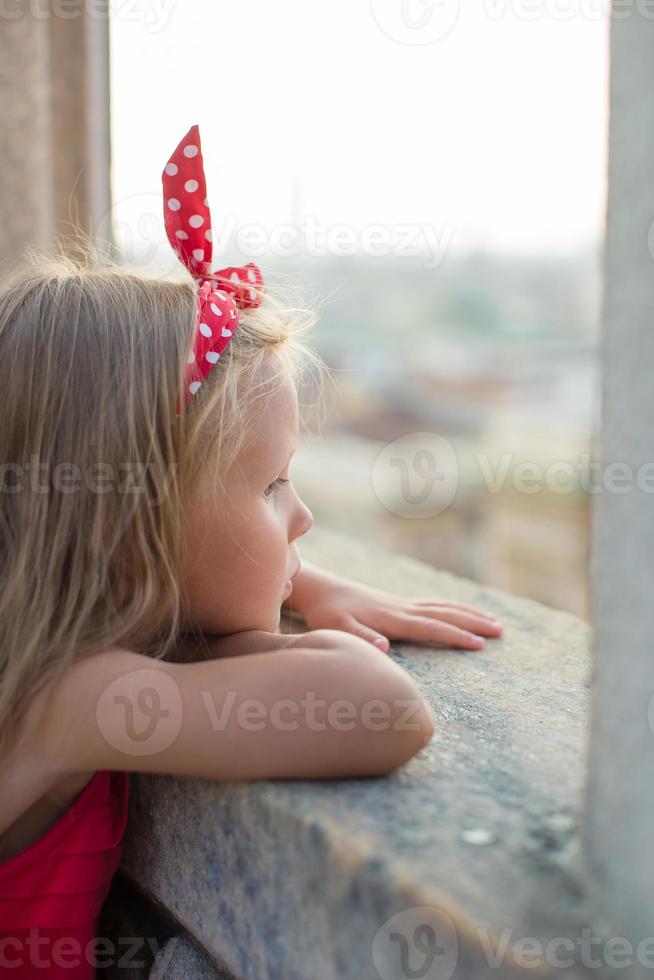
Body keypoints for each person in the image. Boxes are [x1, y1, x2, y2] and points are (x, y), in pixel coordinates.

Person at [0, 124, 502, 978]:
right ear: (131, 534)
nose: (302, 518)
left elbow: (176, 596)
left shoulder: (46, 657)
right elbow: (380, 707)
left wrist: (299, 579)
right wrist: (265, 627)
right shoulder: (69, 697)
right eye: (273, 486)